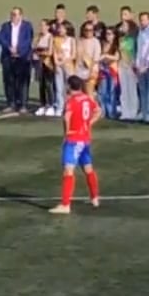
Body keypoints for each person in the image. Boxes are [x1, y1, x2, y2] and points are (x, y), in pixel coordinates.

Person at [49, 75, 102, 215]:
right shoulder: (87, 98)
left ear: (69, 86)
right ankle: (95, 198)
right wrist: (89, 123)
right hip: (85, 138)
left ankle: (65, 205)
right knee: (88, 168)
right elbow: (98, 111)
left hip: (74, 139)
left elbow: (67, 117)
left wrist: (67, 133)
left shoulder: (71, 101)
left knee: (68, 169)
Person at [0, 6, 34, 113]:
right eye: (12, 14)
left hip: (22, 58)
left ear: (21, 15)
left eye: (15, 14)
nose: (13, 16)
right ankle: (11, 103)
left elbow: (28, 40)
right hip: (8, 58)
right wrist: (10, 49)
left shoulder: (27, 26)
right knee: (9, 81)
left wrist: (18, 51)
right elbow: (2, 38)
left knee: (22, 82)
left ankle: (23, 104)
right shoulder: (5, 26)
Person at [115, 6, 140, 120]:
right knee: (124, 88)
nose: (123, 16)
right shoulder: (118, 29)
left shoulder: (135, 29)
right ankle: (125, 112)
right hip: (121, 62)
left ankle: (133, 111)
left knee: (132, 88)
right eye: (121, 14)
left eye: (125, 14)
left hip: (131, 61)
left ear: (130, 15)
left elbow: (136, 46)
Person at [51, 21, 75, 116]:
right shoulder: (56, 39)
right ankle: (60, 107)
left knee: (68, 87)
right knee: (59, 86)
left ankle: (69, 107)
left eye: (62, 28)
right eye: (59, 28)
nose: (60, 30)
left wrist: (64, 60)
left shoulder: (71, 40)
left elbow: (73, 55)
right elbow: (55, 53)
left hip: (68, 65)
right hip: (59, 66)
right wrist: (57, 62)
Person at [33, 18, 54, 116]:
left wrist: (40, 52)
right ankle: (42, 104)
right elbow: (34, 48)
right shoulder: (38, 37)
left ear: (48, 27)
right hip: (39, 63)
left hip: (47, 63)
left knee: (48, 84)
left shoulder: (50, 37)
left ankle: (51, 105)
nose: (41, 27)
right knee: (41, 85)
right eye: (40, 25)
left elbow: (49, 52)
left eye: (43, 25)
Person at [98, 27, 121, 119]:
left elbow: (117, 57)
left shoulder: (116, 45)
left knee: (111, 92)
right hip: (103, 70)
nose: (108, 36)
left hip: (112, 70)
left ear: (114, 35)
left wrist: (105, 56)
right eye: (107, 34)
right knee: (102, 92)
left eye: (110, 34)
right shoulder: (103, 44)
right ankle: (104, 111)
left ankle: (112, 111)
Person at [74, 22, 101, 98]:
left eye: (91, 30)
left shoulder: (95, 42)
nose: (89, 32)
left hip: (91, 70)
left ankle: (95, 109)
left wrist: (90, 72)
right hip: (79, 71)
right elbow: (77, 57)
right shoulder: (79, 41)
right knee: (80, 94)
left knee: (89, 93)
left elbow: (96, 59)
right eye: (86, 30)